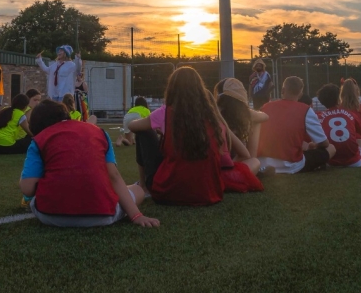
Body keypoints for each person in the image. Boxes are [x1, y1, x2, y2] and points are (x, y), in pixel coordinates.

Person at [20, 100, 160, 228]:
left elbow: (27, 188)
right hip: (102, 216)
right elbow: (114, 176)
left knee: (35, 200)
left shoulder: (39, 139)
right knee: (138, 190)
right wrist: (136, 216)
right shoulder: (99, 133)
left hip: (50, 215)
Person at [127, 67, 225, 206]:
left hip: (169, 191)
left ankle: (144, 186)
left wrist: (156, 127)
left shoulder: (165, 112)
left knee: (144, 132)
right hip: (208, 193)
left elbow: (132, 126)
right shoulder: (210, 115)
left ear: (172, 89)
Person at [256, 76, 335, 173]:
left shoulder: (265, 107)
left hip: (262, 162)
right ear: (300, 94)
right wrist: (312, 145)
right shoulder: (306, 110)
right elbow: (324, 143)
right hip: (291, 164)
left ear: (283, 90)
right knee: (331, 148)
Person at [315, 83, 361, 168]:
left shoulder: (319, 117)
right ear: (339, 98)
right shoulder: (350, 114)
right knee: (360, 141)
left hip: (331, 161)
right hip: (354, 162)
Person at [214, 78, 268, 158]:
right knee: (256, 122)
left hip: (219, 160)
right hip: (231, 161)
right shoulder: (243, 114)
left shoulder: (215, 112)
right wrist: (247, 113)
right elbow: (265, 116)